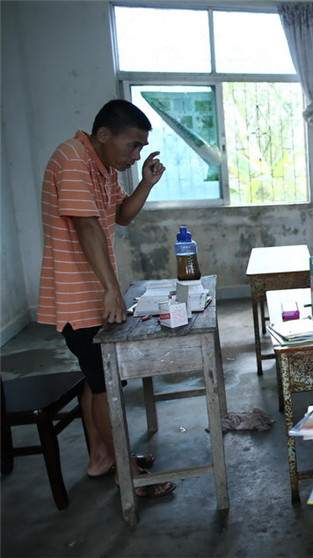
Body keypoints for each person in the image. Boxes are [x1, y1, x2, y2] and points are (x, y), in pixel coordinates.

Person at [37, 99, 176, 498]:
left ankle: (101, 457)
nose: (136, 155)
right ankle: (126, 475)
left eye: (141, 147)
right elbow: (87, 227)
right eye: (132, 145)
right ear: (103, 135)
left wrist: (146, 183)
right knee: (105, 384)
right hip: (79, 296)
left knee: (96, 377)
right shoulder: (73, 160)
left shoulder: (101, 168)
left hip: (92, 291)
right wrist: (113, 289)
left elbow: (121, 216)